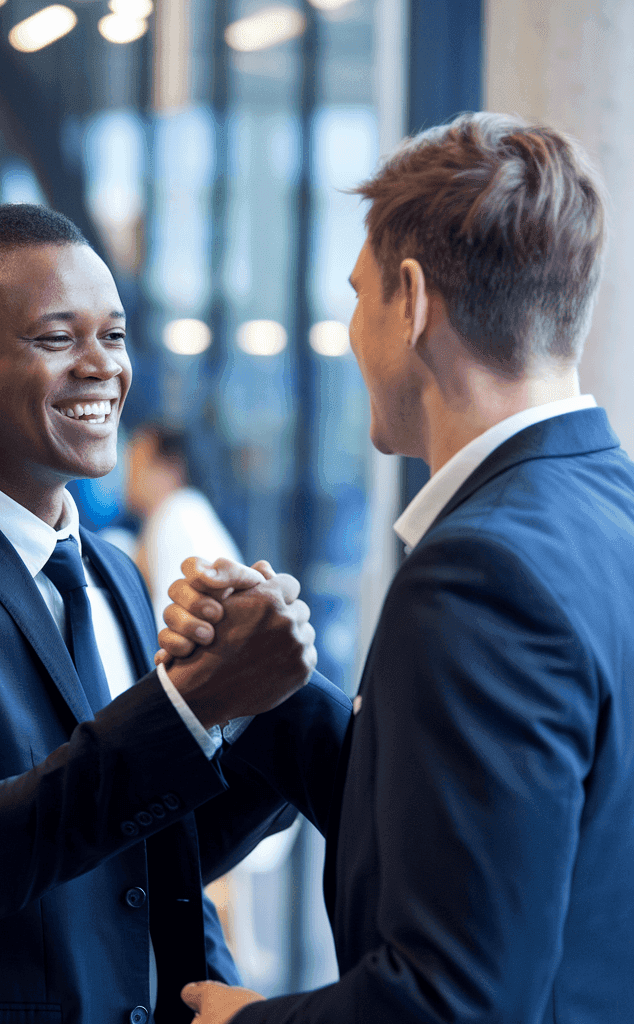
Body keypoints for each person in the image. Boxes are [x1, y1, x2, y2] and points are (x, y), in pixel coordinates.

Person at [0, 204, 338, 1024]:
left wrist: (258, 703)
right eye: (57, 339)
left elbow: (133, 854)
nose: (101, 367)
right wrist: (192, 706)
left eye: (113, 336)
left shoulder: (111, 570)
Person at [160, 113, 634, 1023]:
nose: (349, 333)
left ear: (410, 303)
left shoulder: (483, 575)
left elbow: (458, 999)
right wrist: (274, 684)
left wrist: (248, 1023)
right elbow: (484, 837)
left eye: (356, 294)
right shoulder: (601, 511)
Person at [126, 423, 242, 628]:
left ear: (171, 468)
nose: (127, 474)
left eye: (136, 462)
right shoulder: (170, 519)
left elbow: (172, 622)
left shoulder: (179, 513)